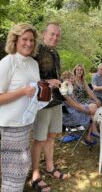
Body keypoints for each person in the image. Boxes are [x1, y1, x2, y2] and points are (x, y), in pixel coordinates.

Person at [0, 23, 41, 192]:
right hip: (11, 124)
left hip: (26, 121)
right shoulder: (7, 63)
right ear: (15, 41)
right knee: (14, 169)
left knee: (23, 164)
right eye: (24, 39)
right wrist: (21, 91)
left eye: (31, 40)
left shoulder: (33, 63)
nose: (28, 43)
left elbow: (33, 87)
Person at [31, 22, 68, 192]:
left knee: (51, 136)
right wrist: (47, 82)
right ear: (44, 34)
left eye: (57, 35)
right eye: (52, 34)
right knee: (39, 139)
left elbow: (55, 77)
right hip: (42, 102)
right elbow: (28, 79)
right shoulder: (35, 51)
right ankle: (35, 175)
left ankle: (50, 167)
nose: (55, 37)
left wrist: (63, 82)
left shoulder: (56, 53)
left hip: (56, 101)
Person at [61, 71, 100, 145]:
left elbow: (76, 103)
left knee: (94, 107)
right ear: (63, 80)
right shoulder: (63, 90)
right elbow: (74, 105)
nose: (71, 80)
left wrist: (85, 107)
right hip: (71, 118)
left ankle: (91, 134)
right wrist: (87, 111)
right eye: (68, 79)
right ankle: (93, 133)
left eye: (72, 78)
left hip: (71, 114)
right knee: (93, 112)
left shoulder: (68, 89)